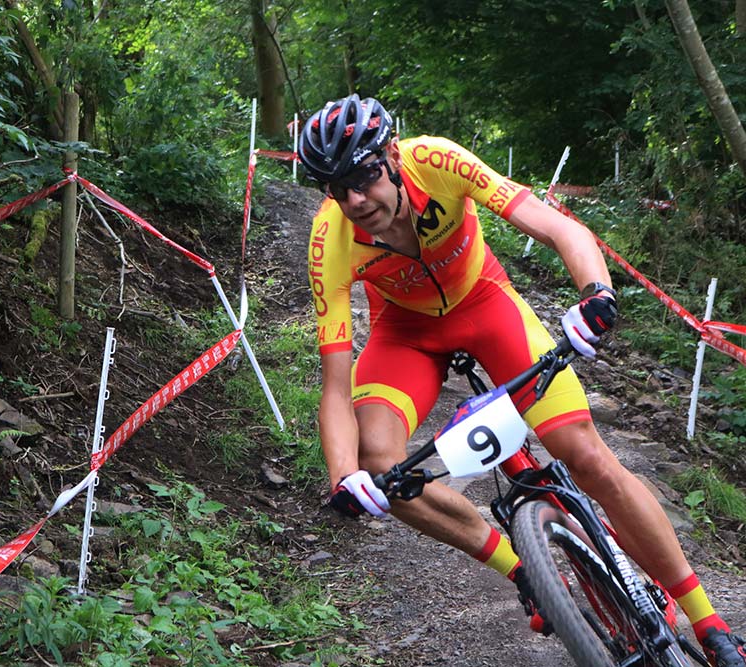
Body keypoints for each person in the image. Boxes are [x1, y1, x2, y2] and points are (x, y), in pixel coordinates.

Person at [297, 94, 746, 667]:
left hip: (485, 304)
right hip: (403, 335)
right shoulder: (328, 240)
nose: (356, 200)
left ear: (391, 155)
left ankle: (710, 622)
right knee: (381, 470)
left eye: (363, 176)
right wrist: (343, 476)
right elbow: (335, 384)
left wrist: (595, 294)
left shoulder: (438, 160)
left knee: (585, 454)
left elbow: (557, 226)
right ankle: (525, 568)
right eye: (338, 189)